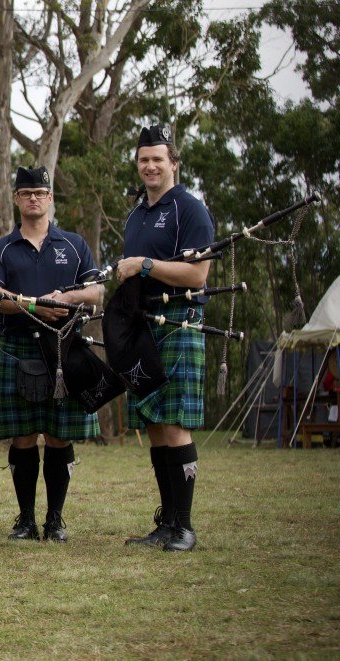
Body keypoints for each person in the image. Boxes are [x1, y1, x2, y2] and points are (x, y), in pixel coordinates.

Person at [0, 166, 103, 543]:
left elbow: (96, 292)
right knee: (21, 436)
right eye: (26, 192)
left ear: (50, 198)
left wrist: (63, 299)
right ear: (17, 199)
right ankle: (25, 519)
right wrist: (35, 306)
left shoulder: (74, 245)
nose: (34, 198)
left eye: (40, 192)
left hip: (64, 348)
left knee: (59, 436)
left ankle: (55, 519)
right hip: (19, 348)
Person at [117, 125, 215, 552]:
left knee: (175, 425)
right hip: (143, 323)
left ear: (174, 163)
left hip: (178, 320)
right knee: (155, 424)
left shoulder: (190, 210)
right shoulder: (136, 214)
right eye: (144, 160)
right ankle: (167, 522)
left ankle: (186, 527)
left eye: (158, 159)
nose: (150, 166)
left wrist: (143, 265)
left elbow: (197, 273)